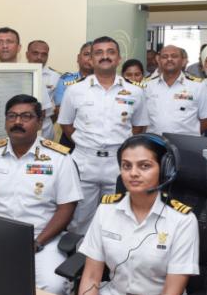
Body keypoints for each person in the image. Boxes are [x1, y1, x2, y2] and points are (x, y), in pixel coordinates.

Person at [78, 134, 199, 295]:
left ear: (165, 170)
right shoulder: (106, 210)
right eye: (126, 166)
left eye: (144, 166)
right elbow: (91, 276)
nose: (133, 173)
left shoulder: (183, 220)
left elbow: (171, 294)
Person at [0, 94, 83, 295]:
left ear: (40, 122)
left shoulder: (59, 158)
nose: (17, 122)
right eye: (12, 116)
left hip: (42, 238)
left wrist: (38, 242)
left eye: (26, 116)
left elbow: (67, 208)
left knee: (53, 285)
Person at [58, 36, 149, 234]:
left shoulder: (135, 92)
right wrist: (85, 143)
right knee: (79, 218)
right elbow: (66, 123)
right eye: (98, 52)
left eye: (110, 52)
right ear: (91, 59)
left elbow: (139, 126)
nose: (105, 56)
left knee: (118, 215)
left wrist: (122, 147)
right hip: (84, 161)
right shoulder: (74, 90)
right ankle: (78, 252)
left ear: (119, 58)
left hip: (118, 162)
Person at [144, 45, 207, 136]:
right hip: (154, 141)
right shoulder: (147, 86)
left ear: (183, 61)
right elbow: (140, 119)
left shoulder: (198, 86)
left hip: (185, 142)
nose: (169, 59)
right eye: (165, 57)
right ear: (159, 60)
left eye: (174, 56)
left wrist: (189, 135)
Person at [26, 40, 60, 140]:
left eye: (44, 54)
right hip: (22, 126)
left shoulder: (56, 77)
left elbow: (58, 107)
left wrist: (47, 120)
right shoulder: (18, 73)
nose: (39, 57)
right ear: (27, 54)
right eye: (35, 53)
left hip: (45, 128)